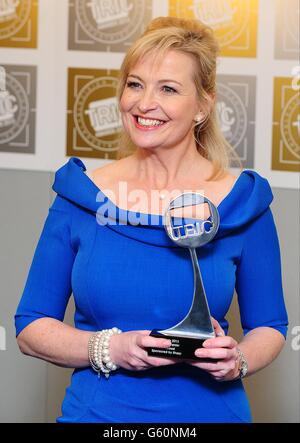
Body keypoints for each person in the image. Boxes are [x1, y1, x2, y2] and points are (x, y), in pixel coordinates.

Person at [15, 17, 288, 423]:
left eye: (169, 89)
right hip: (97, 416)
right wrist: (111, 349)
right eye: (135, 84)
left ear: (203, 106)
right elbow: (30, 326)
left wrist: (238, 360)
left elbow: (270, 325)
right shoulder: (82, 196)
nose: (144, 104)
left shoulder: (241, 204)